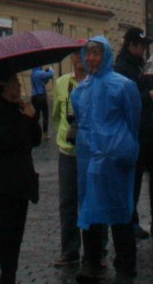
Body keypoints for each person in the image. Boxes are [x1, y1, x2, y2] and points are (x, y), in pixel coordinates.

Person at [73, 35, 141, 283]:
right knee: (90, 211)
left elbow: (134, 121)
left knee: (120, 212)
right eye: (88, 53)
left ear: (106, 55)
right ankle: (91, 261)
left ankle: (125, 264)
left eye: (96, 53)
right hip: (89, 158)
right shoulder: (80, 90)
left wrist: (124, 148)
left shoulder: (124, 86)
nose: (91, 58)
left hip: (115, 157)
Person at [0, 72, 45, 284]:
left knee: (16, 237)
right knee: (2, 235)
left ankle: (8, 278)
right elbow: (7, 142)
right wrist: (25, 121)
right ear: (5, 86)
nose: (18, 84)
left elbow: (35, 141)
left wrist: (33, 118)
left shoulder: (20, 108)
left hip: (22, 179)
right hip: (3, 181)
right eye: (15, 81)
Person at [114, 27, 153, 240]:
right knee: (133, 179)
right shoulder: (121, 68)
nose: (144, 49)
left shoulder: (141, 66)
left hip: (150, 131)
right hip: (133, 132)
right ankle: (131, 221)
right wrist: (148, 95)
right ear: (131, 45)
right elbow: (124, 98)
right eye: (141, 45)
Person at [51, 53, 89, 269]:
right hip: (67, 151)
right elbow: (57, 114)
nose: (80, 59)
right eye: (76, 55)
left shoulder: (95, 83)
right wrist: (64, 134)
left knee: (91, 201)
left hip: (90, 152)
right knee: (67, 203)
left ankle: (97, 250)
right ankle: (69, 250)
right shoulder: (62, 83)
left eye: (84, 55)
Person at [32, 64, 56, 135]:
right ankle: (45, 133)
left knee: (36, 116)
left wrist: (47, 78)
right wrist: (50, 68)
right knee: (45, 115)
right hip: (41, 96)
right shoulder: (39, 73)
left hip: (34, 96)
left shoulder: (33, 74)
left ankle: (34, 132)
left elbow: (43, 82)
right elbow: (51, 73)